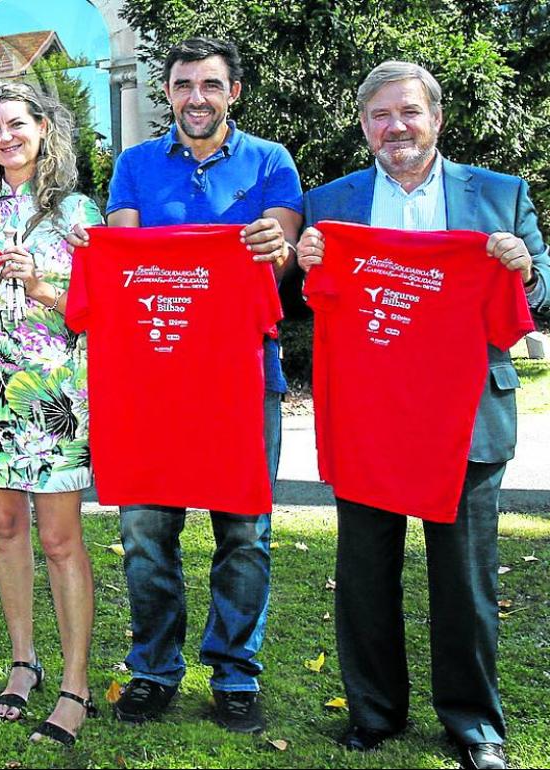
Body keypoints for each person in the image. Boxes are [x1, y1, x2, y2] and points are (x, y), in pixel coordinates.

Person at [296, 61, 549, 770]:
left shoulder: (499, 194)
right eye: (380, 115)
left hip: (466, 415)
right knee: (365, 573)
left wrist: (525, 268)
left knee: (465, 581)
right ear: (364, 126)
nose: (396, 127)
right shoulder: (330, 204)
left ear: (436, 118)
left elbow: (542, 295)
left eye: (409, 112)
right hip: (369, 416)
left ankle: (474, 725)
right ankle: (374, 714)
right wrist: (302, 261)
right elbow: (296, 301)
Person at [70, 37, 302, 734]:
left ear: (234, 92)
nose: (195, 98)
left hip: (243, 377)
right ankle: (153, 669)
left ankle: (235, 674)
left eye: (210, 85)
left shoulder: (271, 161)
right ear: (167, 93)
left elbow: (282, 256)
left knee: (245, 531)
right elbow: (125, 257)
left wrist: (276, 247)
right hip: (152, 378)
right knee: (145, 530)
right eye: (182, 85)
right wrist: (96, 252)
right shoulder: (135, 165)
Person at [0, 82, 100, 746]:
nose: (5, 137)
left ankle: (75, 683)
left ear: (44, 128)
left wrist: (39, 284)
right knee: (6, 527)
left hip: (55, 392)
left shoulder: (79, 212)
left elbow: (98, 309)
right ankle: (23, 660)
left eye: (16, 124)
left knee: (60, 540)